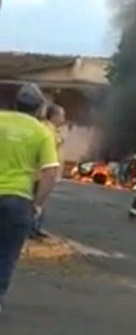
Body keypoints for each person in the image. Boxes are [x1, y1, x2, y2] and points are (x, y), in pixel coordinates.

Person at [0, 83, 59, 312]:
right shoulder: (42, 132)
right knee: (6, 252)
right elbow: (50, 172)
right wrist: (38, 204)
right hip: (18, 200)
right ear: (38, 108)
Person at [30, 103, 66, 239]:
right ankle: (32, 228)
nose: (64, 118)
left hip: (46, 172)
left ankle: (36, 227)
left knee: (41, 200)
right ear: (55, 116)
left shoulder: (53, 130)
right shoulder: (47, 130)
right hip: (41, 173)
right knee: (38, 199)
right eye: (62, 115)